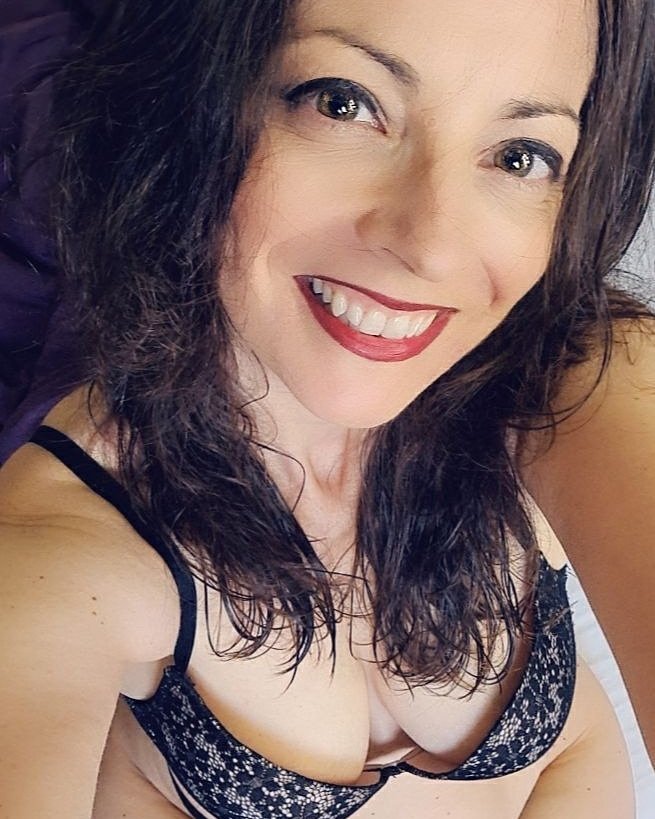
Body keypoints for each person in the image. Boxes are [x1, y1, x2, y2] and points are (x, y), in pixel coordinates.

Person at [0, 0, 653, 817]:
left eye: (519, 155)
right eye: (342, 103)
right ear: (197, 100)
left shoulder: (566, 371)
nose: (429, 246)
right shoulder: (57, 553)